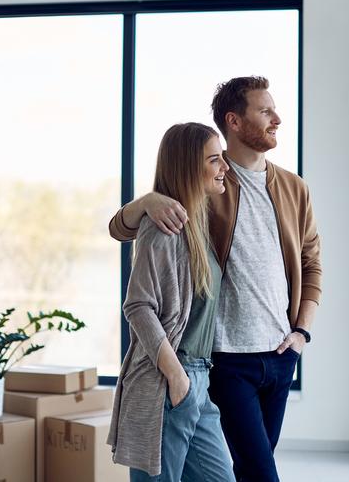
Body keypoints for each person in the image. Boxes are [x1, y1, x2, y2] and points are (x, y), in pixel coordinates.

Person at [109, 76, 322, 482]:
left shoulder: (294, 189)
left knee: (247, 467)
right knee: (258, 472)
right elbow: (125, 233)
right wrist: (147, 201)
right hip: (222, 358)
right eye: (265, 110)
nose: (277, 118)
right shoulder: (209, 186)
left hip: (279, 355)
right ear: (235, 122)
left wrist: (301, 333)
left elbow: (312, 262)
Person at [106, 122, 235, 482]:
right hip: (170, 380)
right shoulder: (162, 226)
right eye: (214, 159)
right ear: (190, 167)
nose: (224, 166)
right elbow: (137, 306)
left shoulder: (197, 222)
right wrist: (176, 378)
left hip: (199, 380)